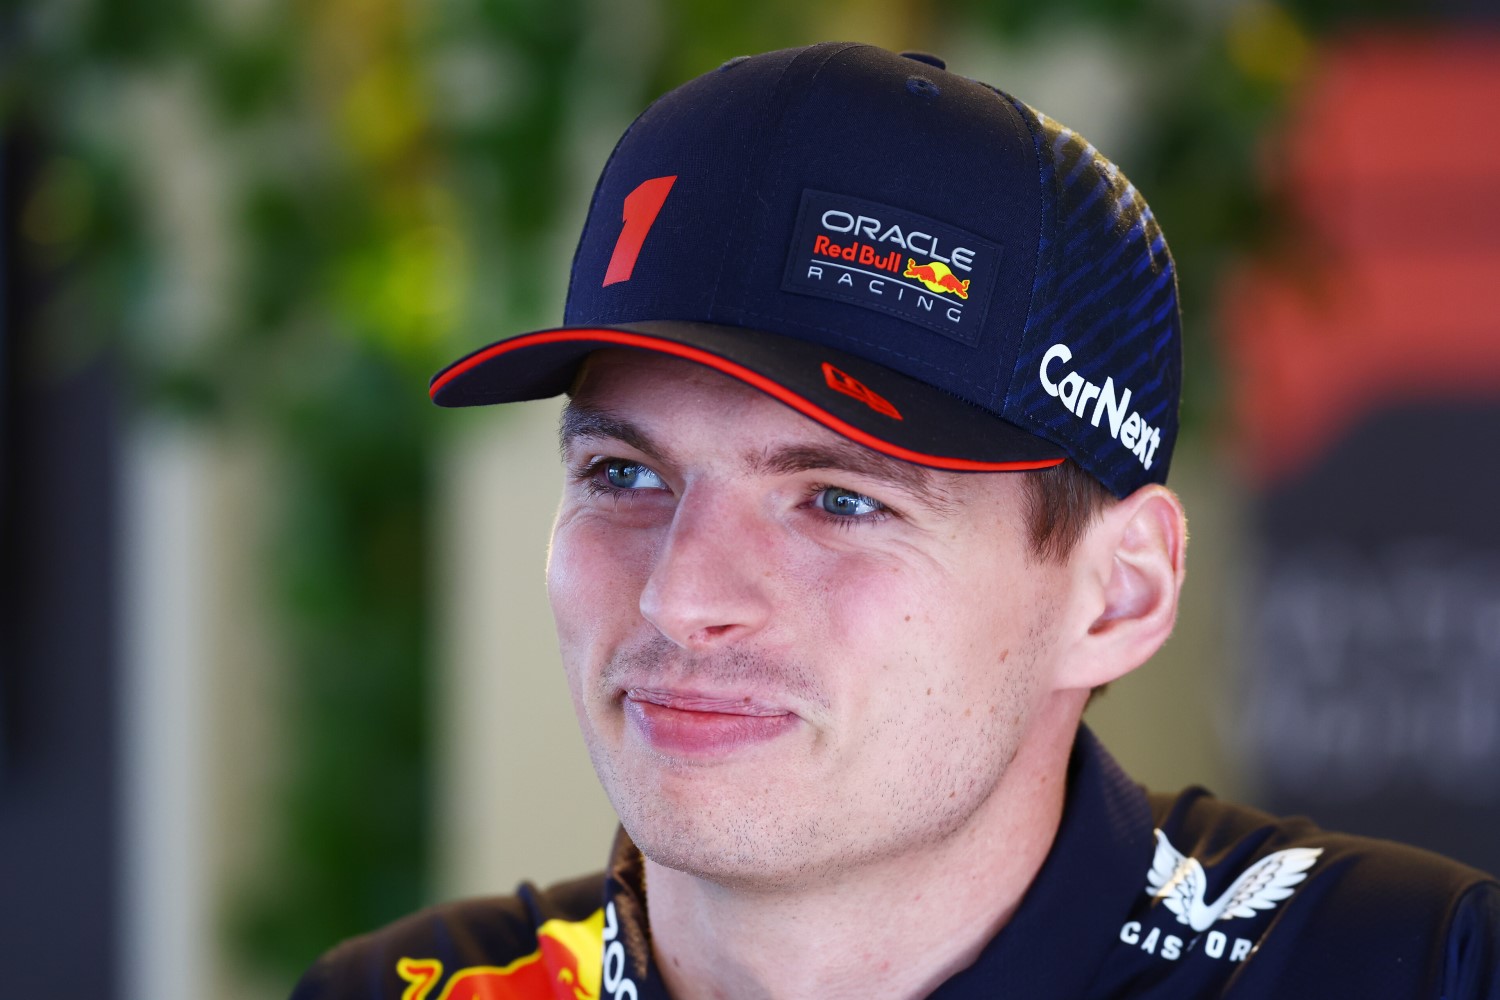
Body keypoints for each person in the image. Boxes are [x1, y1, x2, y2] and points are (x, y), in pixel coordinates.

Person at [291, 42, 1500, 999]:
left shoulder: (1417, 970)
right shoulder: (407, 992)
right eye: (624, 475)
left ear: (1120, 590)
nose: (679, 596)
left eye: (840, 500)